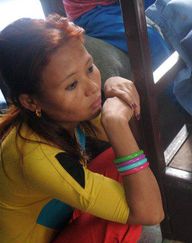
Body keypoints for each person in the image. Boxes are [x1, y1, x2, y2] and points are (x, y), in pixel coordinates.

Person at [0, 15, 163, 242]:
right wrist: (116, 123)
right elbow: (151, 213)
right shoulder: (34, 156)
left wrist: (111, 82)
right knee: (123, 223)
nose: (93, 87)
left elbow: (124, 152)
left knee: (119, 163)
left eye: (89, 68)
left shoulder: (60, 115)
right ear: (31, 102)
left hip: (62, 220)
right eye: (72, 85)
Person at [62, 0, 172, 70]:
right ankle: (176, 97)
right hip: (90, 13)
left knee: (172, 6)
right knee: (149, 39)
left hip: (114, 3)